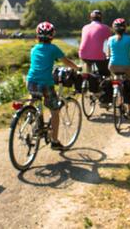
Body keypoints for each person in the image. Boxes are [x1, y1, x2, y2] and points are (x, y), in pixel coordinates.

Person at [27, 21, 79, 150]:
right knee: (55, 111)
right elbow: (66, 61)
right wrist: (76, 67)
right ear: (52, 36)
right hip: (46, 83)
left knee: (34, 97)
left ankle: (28, 113)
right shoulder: (53, 48)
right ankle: (55, 141)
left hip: (31, 81)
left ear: (37, 36)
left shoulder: (34, 49)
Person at [106, 18, 130, 120]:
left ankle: (116, 95)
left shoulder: (110, 39)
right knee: (128, 86)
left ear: (114, 28)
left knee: (116, 80)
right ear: (125, 28)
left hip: (112, 66)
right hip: (126, 66)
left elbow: (108, 54)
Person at [79, 9, 112, 77]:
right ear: (101, 18)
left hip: (82, 54)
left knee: (88, 64)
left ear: (91, 18)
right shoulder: (105, 28)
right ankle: (103, 80)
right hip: (98, 55)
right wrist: (109, 53)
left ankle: (88, 78)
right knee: (105, 73)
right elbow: (111, 42)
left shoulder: (84, 27)